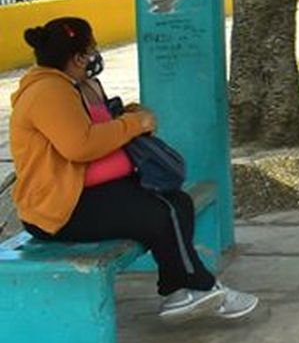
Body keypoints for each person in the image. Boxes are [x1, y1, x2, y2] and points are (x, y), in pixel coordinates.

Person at [8, 18, 257, 320]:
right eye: (90, 51)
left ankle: (178, 290)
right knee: (161, 212)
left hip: (84, 193)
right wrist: (132, 125)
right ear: (76, 57)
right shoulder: (48, 91)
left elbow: (97, 128)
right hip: (59, 209)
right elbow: (80, 145)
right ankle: (200, 286)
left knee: (177, 202)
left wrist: (127, 117)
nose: (93, 57)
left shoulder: (69, 86)